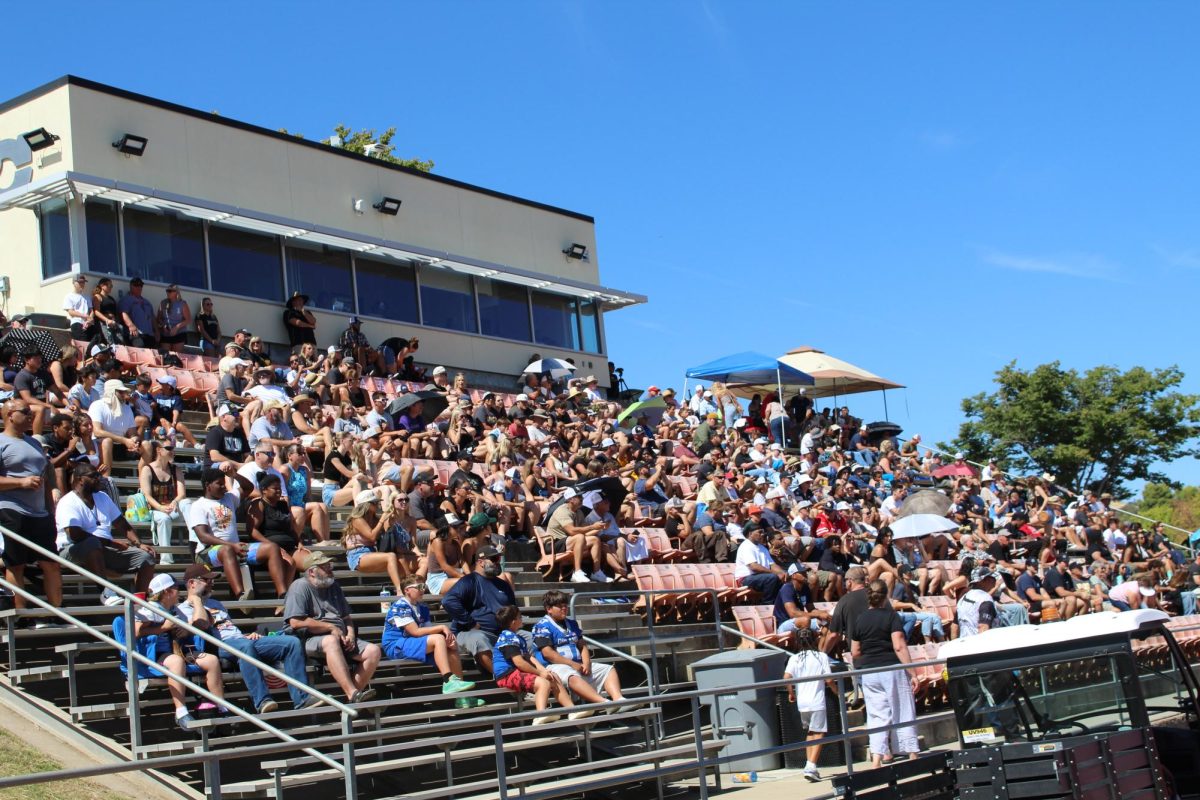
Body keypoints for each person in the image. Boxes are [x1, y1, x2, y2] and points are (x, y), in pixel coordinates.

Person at [177, 564, 315, 713]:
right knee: (245, 647)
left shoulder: (216, 604)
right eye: (206, 580)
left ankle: (302, 698)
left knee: (291, 643)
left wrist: (244, 636)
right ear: (192, 583)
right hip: (217, 646)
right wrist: (197, 600)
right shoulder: (182, 610)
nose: (212, 583)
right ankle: (262, 701)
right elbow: (201, 626)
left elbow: (228, 629)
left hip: (240, 641)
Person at [283, 551, 381, 703]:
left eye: (330, 565)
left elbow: (346, 618)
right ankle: (353, 693)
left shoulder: (334, 586)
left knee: (373, 651)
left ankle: (351, 699)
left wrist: (350, 635)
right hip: (308, 639)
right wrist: (329, 627)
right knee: (330, 641)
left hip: (340, 637)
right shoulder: (299, 587)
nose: (330, 569)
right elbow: (295, 622)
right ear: (311, 572)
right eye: (325, 567)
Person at [133, 572, 226, 732]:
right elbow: (136, 631)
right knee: (176, 662)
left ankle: (221, 707)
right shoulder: (151, 608)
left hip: (180, 650)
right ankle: (181, 711)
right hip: (156, 654)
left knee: (211, 660)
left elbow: (198, 624)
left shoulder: (175, 609)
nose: (179, 591)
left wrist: (185, 629)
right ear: (167, 591)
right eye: (176, 588)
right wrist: (163, 628)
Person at [0, 399, 64, 615]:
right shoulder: (1, 442)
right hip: (11, 509)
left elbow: (45, 476)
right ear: (9, 415)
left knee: (52, 564)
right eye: (25, 412)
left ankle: (58, 613)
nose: (30, 416)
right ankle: (21, 614)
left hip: (40, 512)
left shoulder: (35, 442)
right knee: (15, 564)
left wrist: (50, 508)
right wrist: (20, 482)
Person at [187, 465, 289, 600]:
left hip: (234, 548)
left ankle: (283, 593)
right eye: (220, 484)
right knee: (227, 549)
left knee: (272, 548)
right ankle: (241, 594)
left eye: (224, 484)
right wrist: (232, 545)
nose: (224, 487)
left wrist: (234, 474)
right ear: (208, 485)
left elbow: (249, 488)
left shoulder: (229, 498)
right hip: (207, 552)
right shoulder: (198, 505)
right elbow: (203, 536)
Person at [55, 463, 156, 593]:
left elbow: (121, 524)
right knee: (92, 543)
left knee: (146, 557)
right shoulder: (68, 501)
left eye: (99, 474)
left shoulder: (103, 497)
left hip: (103, 549)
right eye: (94, 476)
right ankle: (106, 592)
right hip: (72, 550)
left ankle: (139, 603)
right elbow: (75, 535)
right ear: (80, 479)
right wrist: (110, 542)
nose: (99, 478)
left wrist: (139, 543)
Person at [850, 580, 919, 767]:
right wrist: (912, 673)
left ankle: (877, 759)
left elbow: (855, 651)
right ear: (885, 596)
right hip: (892, 668)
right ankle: (912, 754)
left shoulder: (860, 619)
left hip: (870, 671)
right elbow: (899, 645)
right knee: (903, 710)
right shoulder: (891, 616)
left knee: (876, 716)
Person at [382, 575, 480, 706]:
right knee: (439, 639)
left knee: (451, 647)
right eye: (420, 587)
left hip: (412, 642)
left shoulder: (422, 607)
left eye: (424, 587)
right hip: (396, 645)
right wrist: (442, 627)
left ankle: (461, 698)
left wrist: (446, 642)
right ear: (407, 590)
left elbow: (427, 632)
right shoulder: (399, 606)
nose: (423, 590)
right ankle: (448, 681)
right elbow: (415, 632)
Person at [532, 590, 628, 716]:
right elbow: (548, 654)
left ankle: (619, 700)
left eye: (565, 605)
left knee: (608, 669)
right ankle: (604, 703)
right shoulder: (542, 626)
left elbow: (582, 645)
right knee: (571, 676)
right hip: (553, 666)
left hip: (576, 664)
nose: (564, 608)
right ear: (549, 609)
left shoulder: (571, 623)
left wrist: (587, 662)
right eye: (560, 606)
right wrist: (572, 664)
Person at [440, 545, 517, 675]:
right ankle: (504, 679)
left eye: (498, 558)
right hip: (468, 632)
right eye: (494, 559)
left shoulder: (503, 584)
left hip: (501, 634)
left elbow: (513, 609)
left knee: (529, 638)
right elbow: (448, 601)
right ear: (480, 562)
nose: (498, 562)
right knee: (479, 639)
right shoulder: (469, 581)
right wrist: (470, 622)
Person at [492, 604, 573, 725]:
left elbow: (529, 657)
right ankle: (540, 714)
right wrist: (540, 673)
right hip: (506, 675)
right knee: (543, 683)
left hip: (515, 672)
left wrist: (544, 671)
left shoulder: (517, 637)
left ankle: (572, 709)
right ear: (513, 622)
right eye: (520, 617)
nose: (522, 619)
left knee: (553, 676)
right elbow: (519, 662)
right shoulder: (507, 637)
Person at [784, 628, 835, 783]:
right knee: (819, 732)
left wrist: (791, 693)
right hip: (816, 700)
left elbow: (786, 678)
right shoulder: (821, 657)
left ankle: (810, 765)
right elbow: (829, 680)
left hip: (802, 702)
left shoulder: (795, 658)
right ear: (814, 640)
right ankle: (811, 765)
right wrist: (837, 691)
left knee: (810, 732)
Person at [342, 489, 409, 592]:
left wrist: (390, 523)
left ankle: (409, 586)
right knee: (391, 556)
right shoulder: (357, 520)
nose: (378, 504)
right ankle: (399, 590)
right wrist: (382, 520)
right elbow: (372, 536)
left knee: (401, 559)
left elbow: (384, 535)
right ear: (367, 505)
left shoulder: (374, 519)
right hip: (358, 555)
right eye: (375, 502)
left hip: (371, 552)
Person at [544, 487, 607, 584]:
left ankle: (596, 572)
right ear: (570, 499)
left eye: (581, 496)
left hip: (568, 541)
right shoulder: (562, 511)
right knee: (579, 537)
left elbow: (585, 531)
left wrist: (599, 528)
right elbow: (572, 531)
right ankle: (577, 572)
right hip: (553, 543)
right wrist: (592, 527)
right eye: (578, 497)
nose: (581, 498)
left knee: (595, 539)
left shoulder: (579, 512)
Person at [139, 440, 185, 564]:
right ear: (159, 450)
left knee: (188, 505)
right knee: (164, 519)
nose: (172, 451)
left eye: (173, 448)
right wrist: (160, 507)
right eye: (168, 448)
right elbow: (147, 495)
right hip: (154, 509)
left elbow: (182, 494)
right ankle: (166, 559)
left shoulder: (176, 469)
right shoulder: (147, 469)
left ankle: (198, 551)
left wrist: (175, 502)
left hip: (172, 507)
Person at [279, 443, 330, 542]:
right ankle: (321, 541)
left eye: (304, 453)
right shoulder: (285, 469)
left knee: (322, 506)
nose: (303, 456)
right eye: (299, 453)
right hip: (289, 506)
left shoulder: (304, 470)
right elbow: (281, 492)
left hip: (300, 504)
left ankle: (326, 540)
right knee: (316, 506)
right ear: (290, 456)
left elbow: (308, 494)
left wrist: (310, 502)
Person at [734, 521, 786, 602]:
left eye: (763, 532)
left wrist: (783, 573)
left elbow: (772, 565)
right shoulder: (746, 546)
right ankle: (767, 603)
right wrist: (775, 573)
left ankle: (779, 604)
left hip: (761, 577)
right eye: (760, 532)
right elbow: (754, 567)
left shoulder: (762, 547)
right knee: (772, 577)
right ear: (750, 534)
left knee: (785, 577)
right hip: (745, 579)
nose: (763, 534)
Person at [118, 277, 157, 349]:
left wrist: (157, 331)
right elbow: (123, 313)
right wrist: (131, 325)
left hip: (149, 335)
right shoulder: (126, 300)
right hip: (137, 335)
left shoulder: (147, 302)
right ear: (131, 286)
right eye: (136, 285)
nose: (139, 287)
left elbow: (152, 317)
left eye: (141, 285)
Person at [157, 284, 192, 353]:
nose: (168, 292)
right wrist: (163, 325)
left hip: (179, 333)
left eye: (170, 291)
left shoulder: (182, 303)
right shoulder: (163, 303)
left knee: (176, 356)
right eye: (167, 291)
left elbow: (188, 319)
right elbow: (158, 318)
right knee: (165, 356)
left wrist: (177, 327)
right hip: (166, 334)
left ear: (176, 292)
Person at [63, 274, 95, 340]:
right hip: (77, 323)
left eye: (83, 282)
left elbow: (91, 310)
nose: (82, 284)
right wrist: (85, 316)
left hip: (89, 324)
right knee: (82, 344)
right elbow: (71, 312)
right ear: (74, 283)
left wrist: (90, 319)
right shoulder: (69, 296)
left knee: (93, 345)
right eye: (80, 282)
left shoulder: (87, 297)